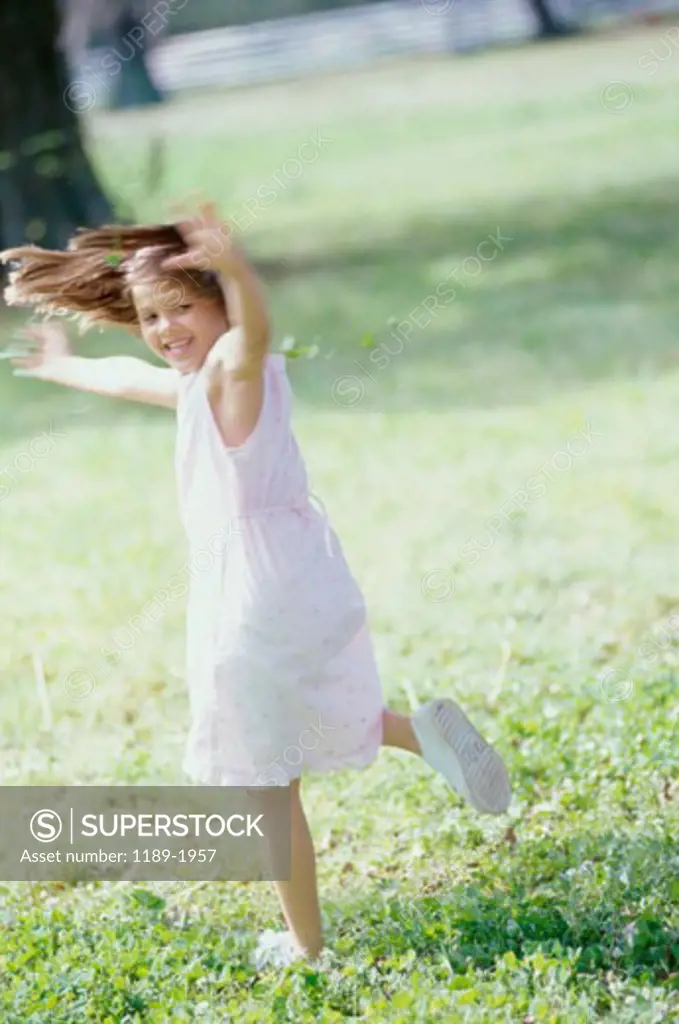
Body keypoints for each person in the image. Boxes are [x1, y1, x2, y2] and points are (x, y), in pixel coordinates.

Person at [0, 204, 511, 967]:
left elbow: (253, 334)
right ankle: (419, 732)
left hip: (253, 598)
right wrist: (62, 365)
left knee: (267, 785)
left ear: (220, 308)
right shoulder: (200, 385)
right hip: (302, 577)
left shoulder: (237, 368)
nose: (166, 327)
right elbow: (126, 376)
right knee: (307, 714)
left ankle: (304, 946)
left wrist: (238, 270)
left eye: (182, 308)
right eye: (149, 315)